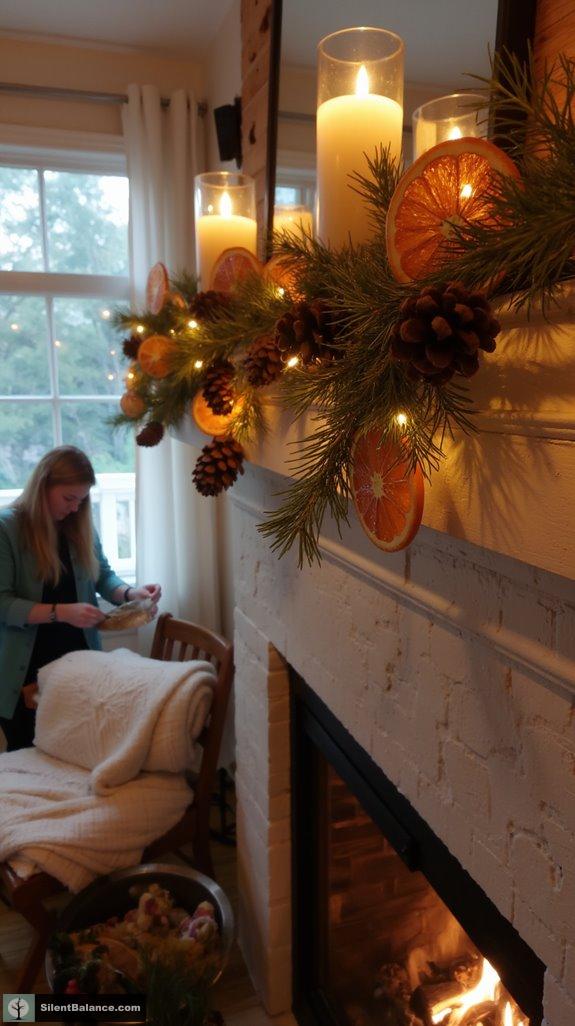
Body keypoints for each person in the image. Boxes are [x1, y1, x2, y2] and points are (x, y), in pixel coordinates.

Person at [0, 446, 161, 752]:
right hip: (25, 672)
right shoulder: (6, 528)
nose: (75, 508)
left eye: (82, 500)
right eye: (68, 498)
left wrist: (131, 594)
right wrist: (61, 612)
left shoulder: (77, 525)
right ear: (43, 486)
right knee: (31, 762)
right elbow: (3, 604)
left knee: (81, 756)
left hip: (80, 666)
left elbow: (103, 577)